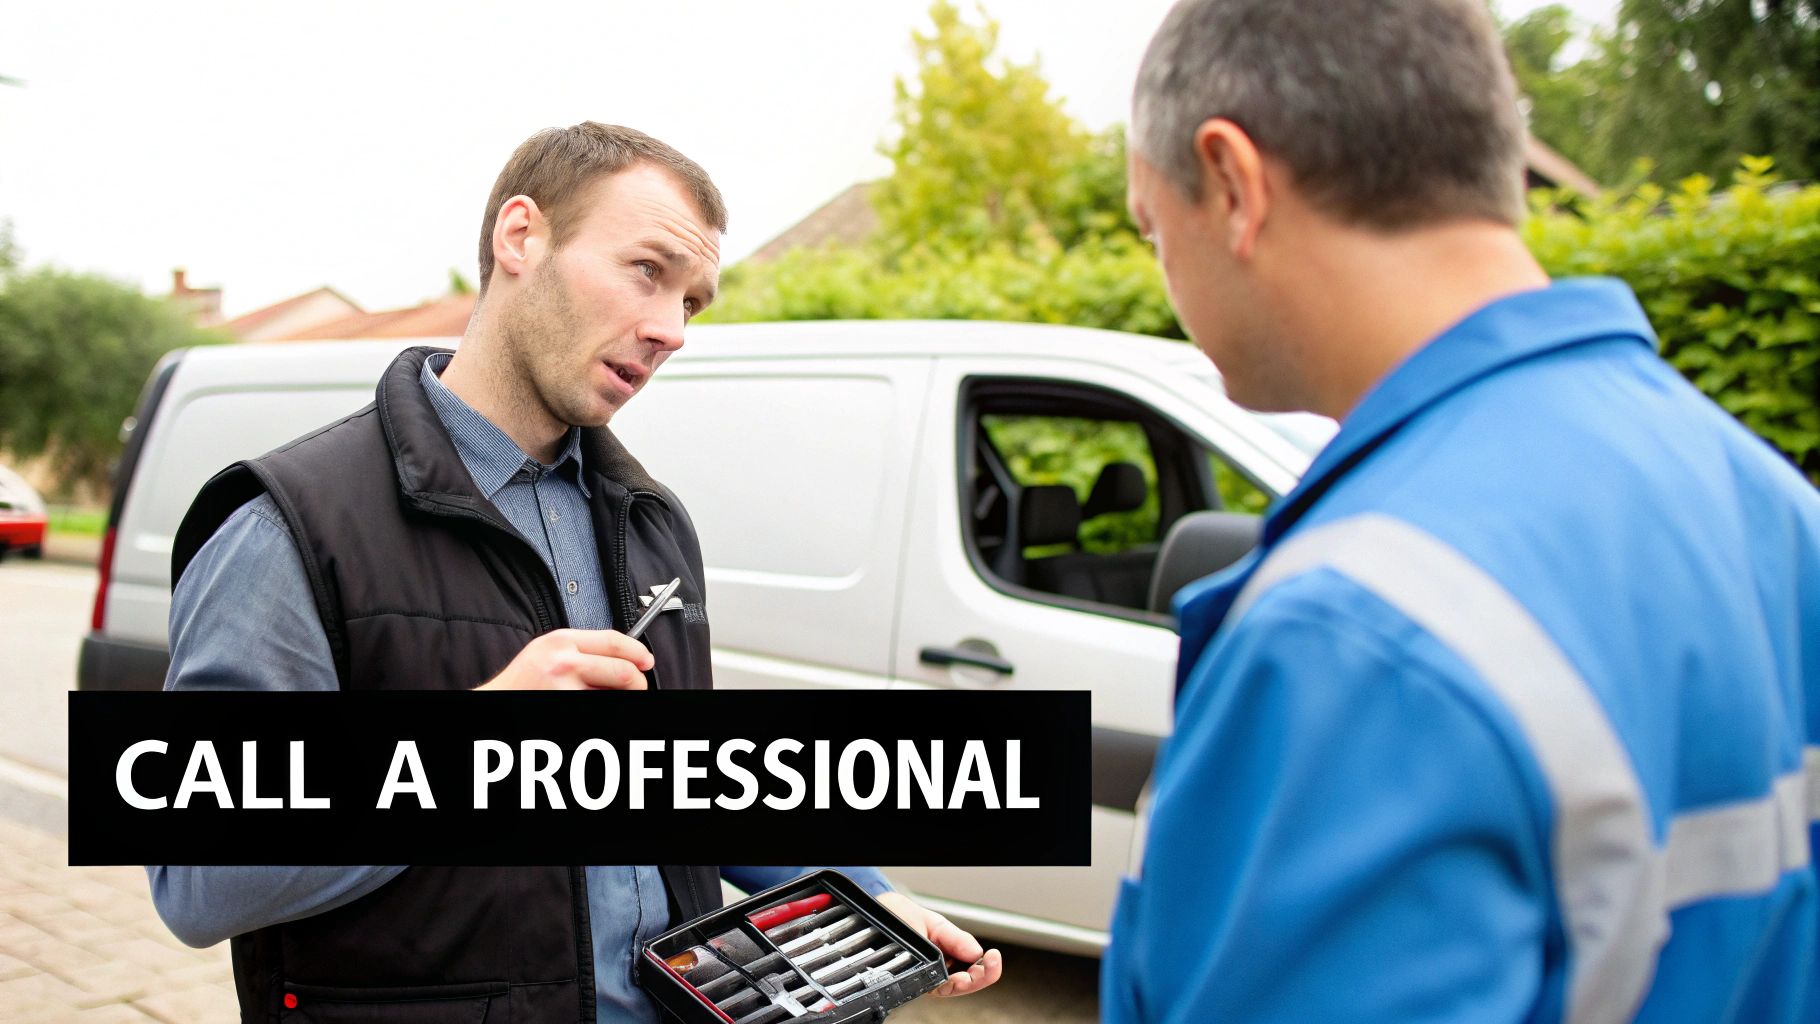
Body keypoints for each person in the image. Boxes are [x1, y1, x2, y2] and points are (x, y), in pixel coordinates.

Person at [148, 122, 1002, 1022]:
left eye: (692, 301)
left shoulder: (651, 523)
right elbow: (198, 885)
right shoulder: (283, 525)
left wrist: (863, 891)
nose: (671, 329)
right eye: (647, 271)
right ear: (521, 236)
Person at [1104, 1, 1820, 1021]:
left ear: (1230, 185)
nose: (1164, 267)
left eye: (1150, 227)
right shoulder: (1773, 509)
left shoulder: (1347, 635)